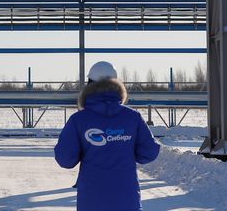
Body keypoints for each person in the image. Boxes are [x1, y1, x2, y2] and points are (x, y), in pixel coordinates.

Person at [54, 61, 160, 210]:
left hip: (91, 202)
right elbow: (149, 152)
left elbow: (65, 159)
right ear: (117, 83)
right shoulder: (132, 117)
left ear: (89, 84)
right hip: (127, 201)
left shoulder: (78, 120)